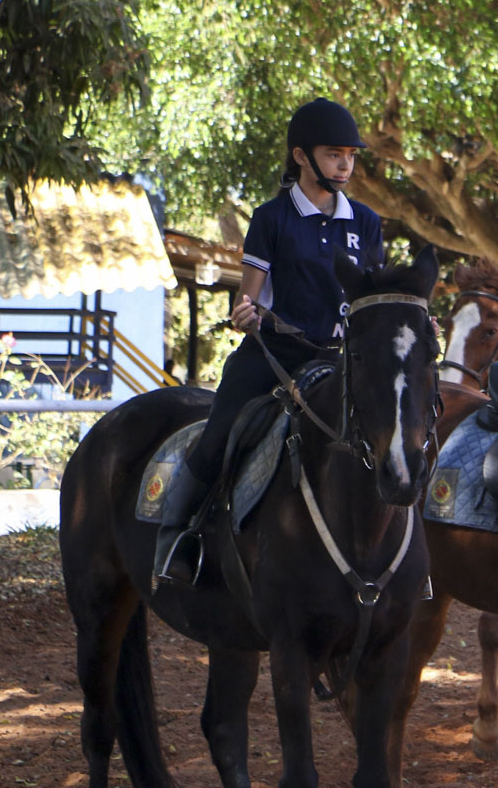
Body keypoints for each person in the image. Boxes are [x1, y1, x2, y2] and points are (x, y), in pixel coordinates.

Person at [155, 98, 384, 584]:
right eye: (333, 154)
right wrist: (245, 314)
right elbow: (250, 299)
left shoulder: (365, 221)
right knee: (219, 434)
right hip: (275, 355)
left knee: (394, 432)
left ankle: (403, 551)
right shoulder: (271, 218)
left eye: (350, 155)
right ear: (301, 157)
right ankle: (179, 535)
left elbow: (373, 293)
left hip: (342, 358)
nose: (345, 164)